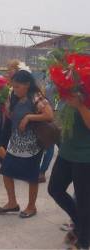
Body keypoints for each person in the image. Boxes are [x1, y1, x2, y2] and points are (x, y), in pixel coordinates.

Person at [0, 70, 53, 218]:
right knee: (6, 171)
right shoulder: (13, 96)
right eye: (13, 87)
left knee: (31, 176)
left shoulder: (35, 96)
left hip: (32, 144)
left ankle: (31, 206)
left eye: (17, 87)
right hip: (15, 142)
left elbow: (49, 114)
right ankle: (12, 202)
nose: (14, 90)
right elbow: (10, 114)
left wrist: (28, 117)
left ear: (27, 85)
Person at [48, 94, 90, 249]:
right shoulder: (73, 89)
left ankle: (83, 242)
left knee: (84, 200)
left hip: (85, 156)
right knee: (55, 189)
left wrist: (80, 105)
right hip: (67, 151)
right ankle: (82, 226)